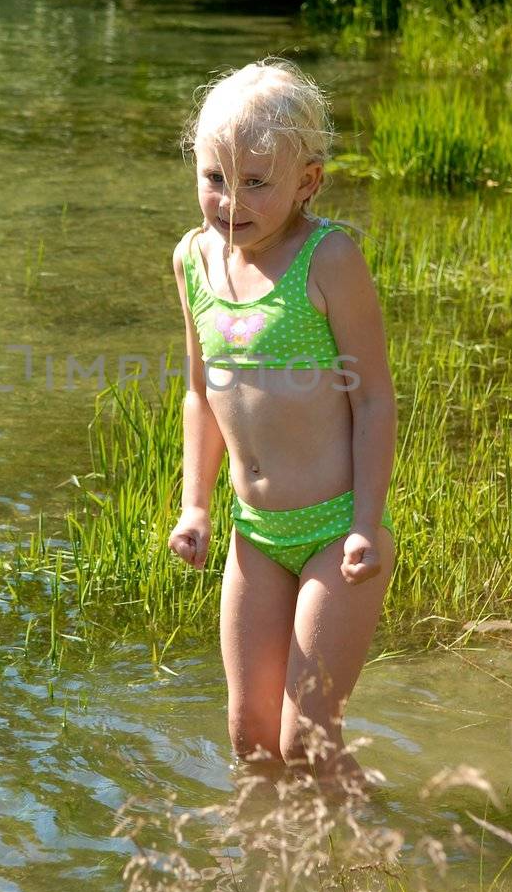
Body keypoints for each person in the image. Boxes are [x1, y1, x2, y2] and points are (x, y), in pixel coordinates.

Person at [167, 58, 397, 785]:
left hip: (336, 531)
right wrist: (195, 506)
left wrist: (367, 519)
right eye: (213, 177)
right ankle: (273, 864)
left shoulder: (329, 259)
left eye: (256, 181)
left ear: (308, 181)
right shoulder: (193, 261)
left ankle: (364, 849)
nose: (230, 201)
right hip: (255, 535)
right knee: (250, 739)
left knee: (308, 741)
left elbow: (373, 397)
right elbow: (202, 392)